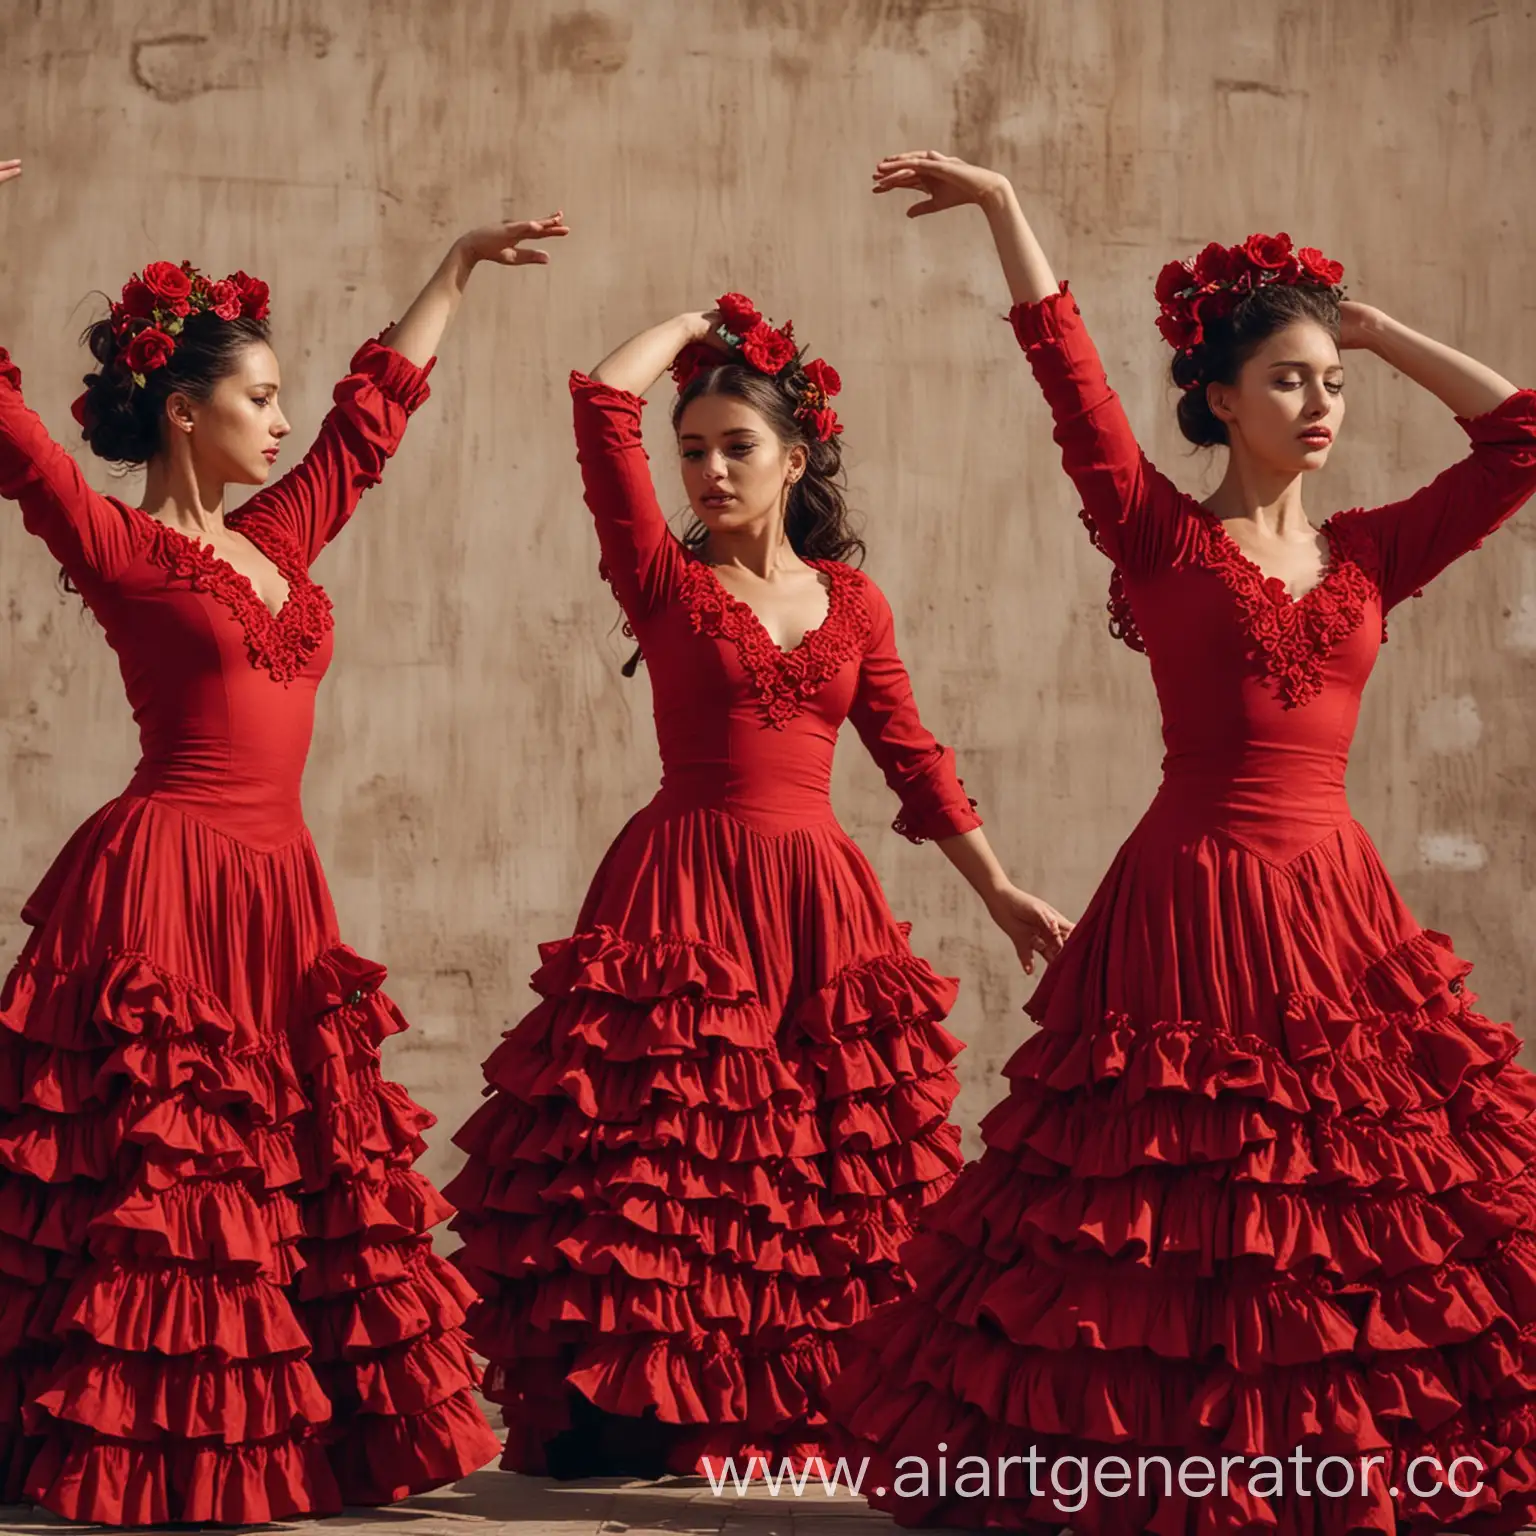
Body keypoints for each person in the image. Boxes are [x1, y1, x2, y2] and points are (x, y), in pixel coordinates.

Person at [828, 150, 1536, 1534]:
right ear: (1215, 397)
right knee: (1165, 1198)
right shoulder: (1155, 533)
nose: (1321, 403)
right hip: (1190, 895)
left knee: (1342, 1193)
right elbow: (1070, 378)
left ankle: (1322, 1477)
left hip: (1337, 900)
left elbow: (1521, 438)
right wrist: (1004, 208)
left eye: (1332, 382)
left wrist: (1370, 331)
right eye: (1289, 379)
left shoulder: (1375, 551)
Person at [0, 152, 568, 1525]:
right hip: (161, 880)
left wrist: (455, 267)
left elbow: (372, 423)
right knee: (168, 1173)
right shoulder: (124, 549)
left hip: (278, 891)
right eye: (259, 398)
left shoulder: (283, 538)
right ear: (183, 415)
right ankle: (138, 1453)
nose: (282, 417)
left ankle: (274, 1447)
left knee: (285, 1172)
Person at [447, 291, 1073, 1478]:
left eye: (738, 446)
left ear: (796, 459)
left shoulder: (855, 603)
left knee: (818, 1170)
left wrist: (996, 889)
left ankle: (800, 1407)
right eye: (692, 450)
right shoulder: (660, 578)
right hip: (679, 887)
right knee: (675, 1156)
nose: (710, 471)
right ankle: (644, 1412)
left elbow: (911, 753)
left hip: (819, 901)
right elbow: (598, 405)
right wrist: (694, 326)